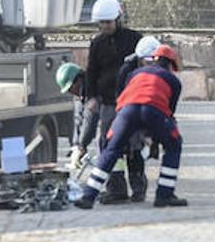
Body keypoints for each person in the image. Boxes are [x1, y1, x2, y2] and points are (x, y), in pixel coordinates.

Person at [75, 44, 187, 209]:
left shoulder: (135, 73)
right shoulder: (173, 81)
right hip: (154, 111)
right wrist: (153, 139)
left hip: (126, 112)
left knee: (111, 150)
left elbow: (125, 94)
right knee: (174, 145)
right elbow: (169, 111)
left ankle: (88, 197)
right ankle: (164, 195)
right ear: (170, 64)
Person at [84, 0, 145, 203]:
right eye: (101, 23)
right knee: (110, 147)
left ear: (118, 19)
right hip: (108, 103)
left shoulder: (135, 39)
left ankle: (138, 188)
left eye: (108, 22)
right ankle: (117, 189)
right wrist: (91, 98)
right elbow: (91, 72)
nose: (105, 26)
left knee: (134, 146)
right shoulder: (97, 44)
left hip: (132, 102)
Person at [55, 61, 93, 171]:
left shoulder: (93, 88)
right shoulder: (80, 94)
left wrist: (81, 146)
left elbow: (89, 120)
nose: (72, 92)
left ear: (78, 80)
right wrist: (76, 145)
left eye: (71, 88)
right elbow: (78, 119)